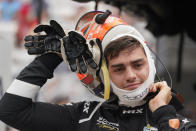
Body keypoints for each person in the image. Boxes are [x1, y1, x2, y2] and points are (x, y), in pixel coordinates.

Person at [0, 10, 196, 131]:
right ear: (105, 75)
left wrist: (162, 112)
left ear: (150, 63)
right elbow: (11, 111)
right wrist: (55, 54)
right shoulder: (85, 116)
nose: (131, 75)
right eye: (118, 69)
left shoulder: (180, 123)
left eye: (138, 64)